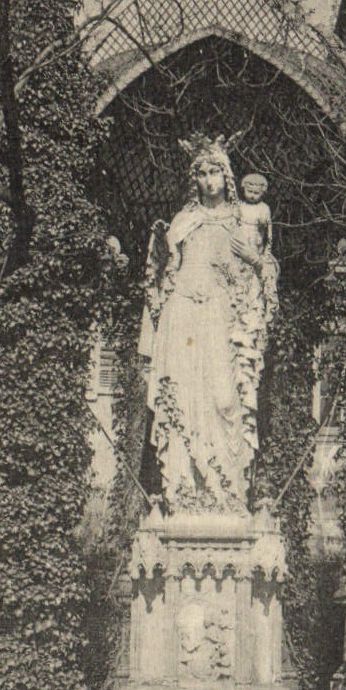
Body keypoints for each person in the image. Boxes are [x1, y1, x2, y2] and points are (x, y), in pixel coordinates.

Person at [139, 137, 278, 511]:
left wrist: (253, 257)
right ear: (194, 180)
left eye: (215, 171)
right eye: (201, 173)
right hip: (183, 317)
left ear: (227, 176)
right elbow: (163, 277)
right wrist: (158, 254)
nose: (208, 180)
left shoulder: (242, 218)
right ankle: (184, 493)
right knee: (182, 402)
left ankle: (226, 493)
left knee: (224, 399)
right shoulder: (183, 221)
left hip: (221, 319)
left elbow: (265, 268)